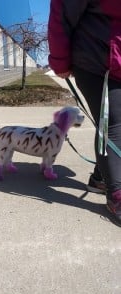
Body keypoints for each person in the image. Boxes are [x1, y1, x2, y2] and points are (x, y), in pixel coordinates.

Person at [48, 0, 121, 226]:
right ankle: (116, 194)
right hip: (98, 62)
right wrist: (60, 60)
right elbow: (61, 14)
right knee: (113, 126)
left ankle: (101, 178)